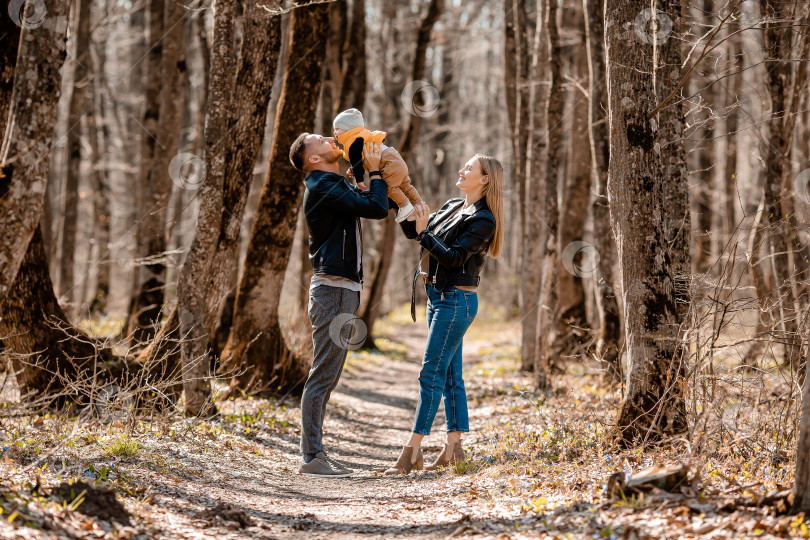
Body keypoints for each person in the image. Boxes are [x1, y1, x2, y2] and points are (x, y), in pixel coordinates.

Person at [384, 154, 504, 475]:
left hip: (457, 301)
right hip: (436, 297)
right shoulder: (453, 205)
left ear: (485, 179)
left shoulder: (484, 220)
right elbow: (418, 235)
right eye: (462, 165)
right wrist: (399, 201)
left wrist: (425, 233)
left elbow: (452, 258)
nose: (461, 170)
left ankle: (412, 451)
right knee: (451, 376)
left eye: (469, 168)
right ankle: (453, 448)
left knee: (430, 374)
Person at [289, 132, 388, 478]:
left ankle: (317, 452)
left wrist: (367, 167)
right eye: (318, 140)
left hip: (345, 288)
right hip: (332, 290)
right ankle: (311, 456)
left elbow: (378, 202)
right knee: (323, 374)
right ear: (313, 158)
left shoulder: (335, 183)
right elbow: (376, 208)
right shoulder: (320, 185)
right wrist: (374, 174)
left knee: (329, 375)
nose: (329, 137)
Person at [333, 107, 427, 222]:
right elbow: (360, 159)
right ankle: (420, 206)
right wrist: (353, 169)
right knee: (406, 185)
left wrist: (359, 180)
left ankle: (405, 207)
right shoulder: (363, 137)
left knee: (390, 189)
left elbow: (356, 159)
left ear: (349, 129)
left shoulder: (353, 142)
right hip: (396, 159)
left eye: (338, 129)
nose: (334, 132)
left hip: (389, 164)